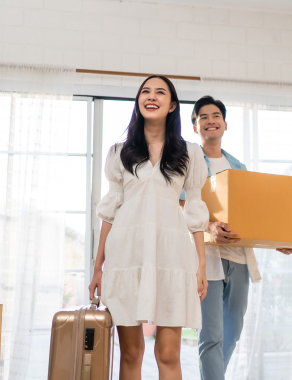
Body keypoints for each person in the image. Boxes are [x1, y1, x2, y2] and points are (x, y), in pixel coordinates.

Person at [88, 76, 210, 380]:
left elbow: (195, 213)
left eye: (160, 92)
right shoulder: (119, 152)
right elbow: (110, 214)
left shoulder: (190, 153)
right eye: (145, 91)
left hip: (172, 257)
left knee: (168, 354)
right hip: (126, 256)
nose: (151, 96)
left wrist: (201, 265)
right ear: (138, 101)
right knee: (131, 353)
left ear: (172, 106)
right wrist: (97, 267)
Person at [179, 96, 292, 380]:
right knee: (212, 336)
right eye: (203, 117)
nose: (210, 120)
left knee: (231, 335)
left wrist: (274, 240)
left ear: (225, 124)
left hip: (238, 258)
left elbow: (251, 214)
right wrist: (209, 227)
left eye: (215, 115)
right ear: (195, 127)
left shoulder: (239, 167)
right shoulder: (188, 163)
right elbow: (179, 204)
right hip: (206, 258)